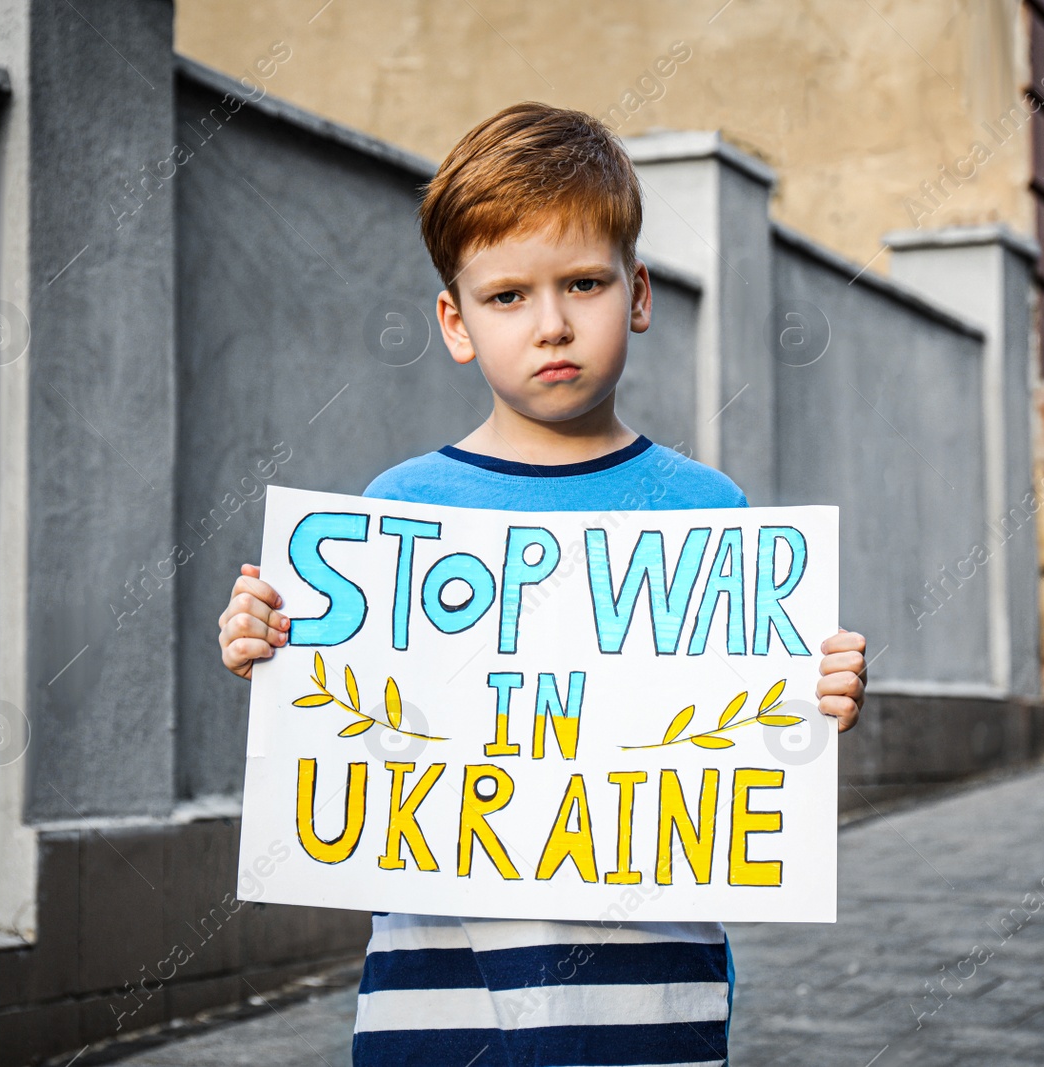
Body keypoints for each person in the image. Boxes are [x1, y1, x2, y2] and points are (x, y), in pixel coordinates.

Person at [217, 100, 868, 1067]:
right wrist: (266, 644)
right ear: (457, 321)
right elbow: (345, 721)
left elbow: (760, 742)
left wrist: (820, 695)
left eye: (584, 283)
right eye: (509, 296)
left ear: (638, 293)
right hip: (431, 990)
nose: (553, 324)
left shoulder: (706, 511)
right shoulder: (398, 512)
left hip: (647, 995)